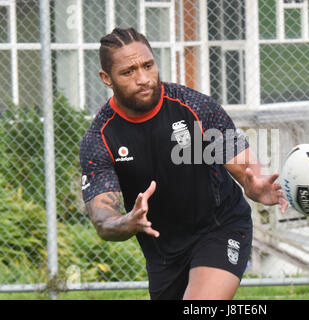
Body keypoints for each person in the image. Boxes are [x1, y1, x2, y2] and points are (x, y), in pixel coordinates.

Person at [79, 27, 288, 300]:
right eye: (128, 72)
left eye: (148, 66)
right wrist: (127, 221)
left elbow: (246, 169)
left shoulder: (194, 108)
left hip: (219, 227)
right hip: (163, 251)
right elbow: (103, 220)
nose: (143, 78)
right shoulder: (100, 138)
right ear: (106, 78)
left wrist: (256, 188)